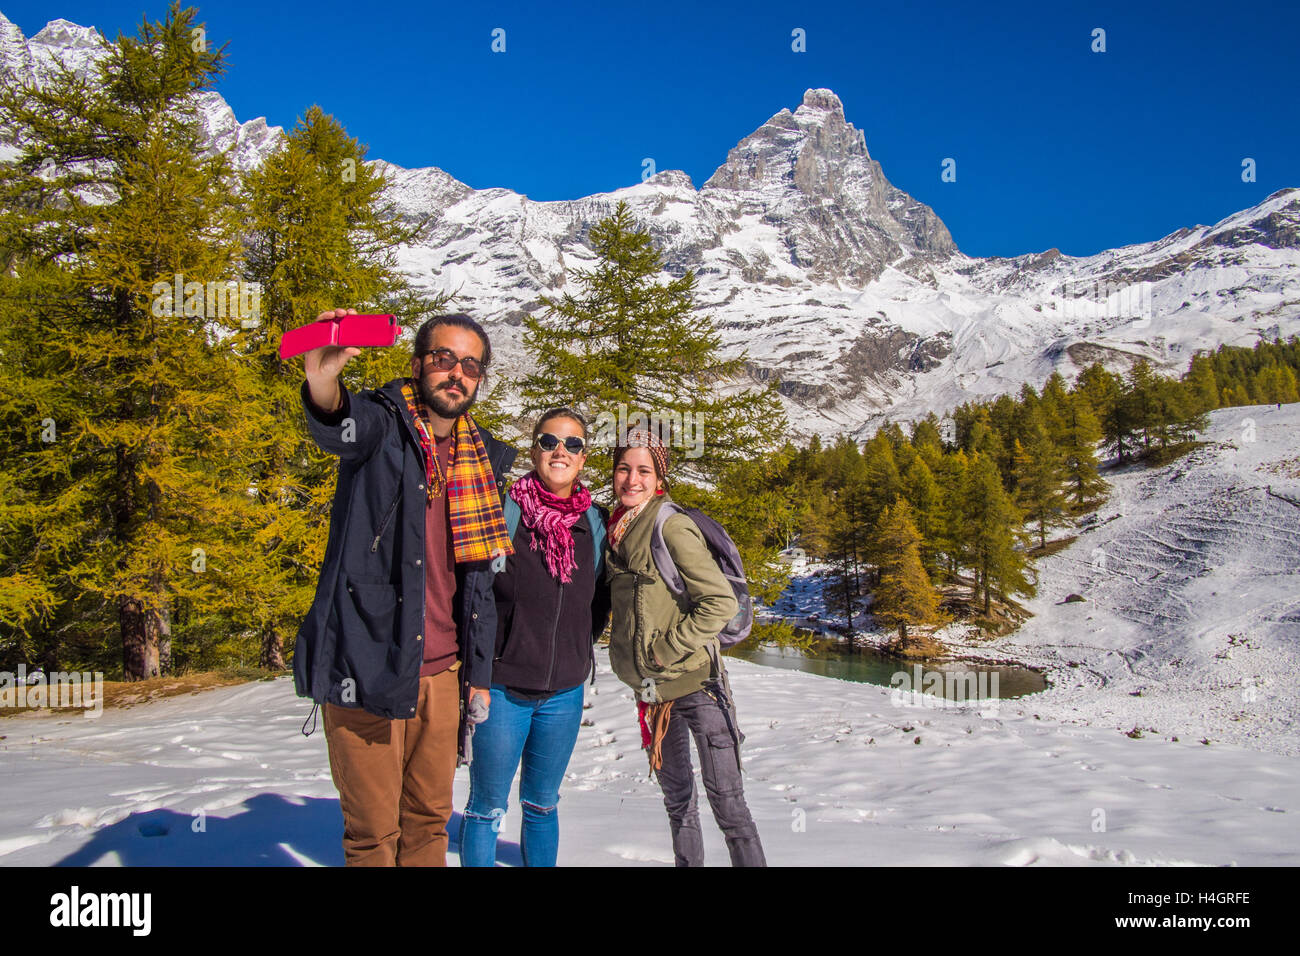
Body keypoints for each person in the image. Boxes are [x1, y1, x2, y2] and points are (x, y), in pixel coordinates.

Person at [294, 308, 516, 866]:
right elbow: (338, 423)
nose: (456, 373)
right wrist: (322, 380)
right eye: (443, 359)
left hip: (443, 674)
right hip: (367, 666)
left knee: (428, 825)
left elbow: (480, 584)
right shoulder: (381, 424)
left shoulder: (483, 457)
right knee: (372, 834)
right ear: (417, 366)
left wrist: (478, 676)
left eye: (471, 364)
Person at [605, 430, 766, 866]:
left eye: (644, 470)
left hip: (697, 686)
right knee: (678, 806)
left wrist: (665, 650)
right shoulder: (617, 528)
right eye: (623, 467)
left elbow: (720, 603)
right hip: (653, 697)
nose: (631, 479)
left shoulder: (669, 524)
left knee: (729, 807)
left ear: (659, 478)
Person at [458, 408, 611, 866]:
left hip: (564, 694)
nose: (560, 451)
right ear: (534, 450)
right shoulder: (506, 513)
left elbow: (598, 601)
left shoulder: (595, 525)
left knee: (543, 805)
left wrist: (577, 653)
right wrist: (479, 673)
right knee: (486, 808)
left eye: (573, 444)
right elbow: (477, 595)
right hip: (502, 689)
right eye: (549, 441)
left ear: (583, 459)